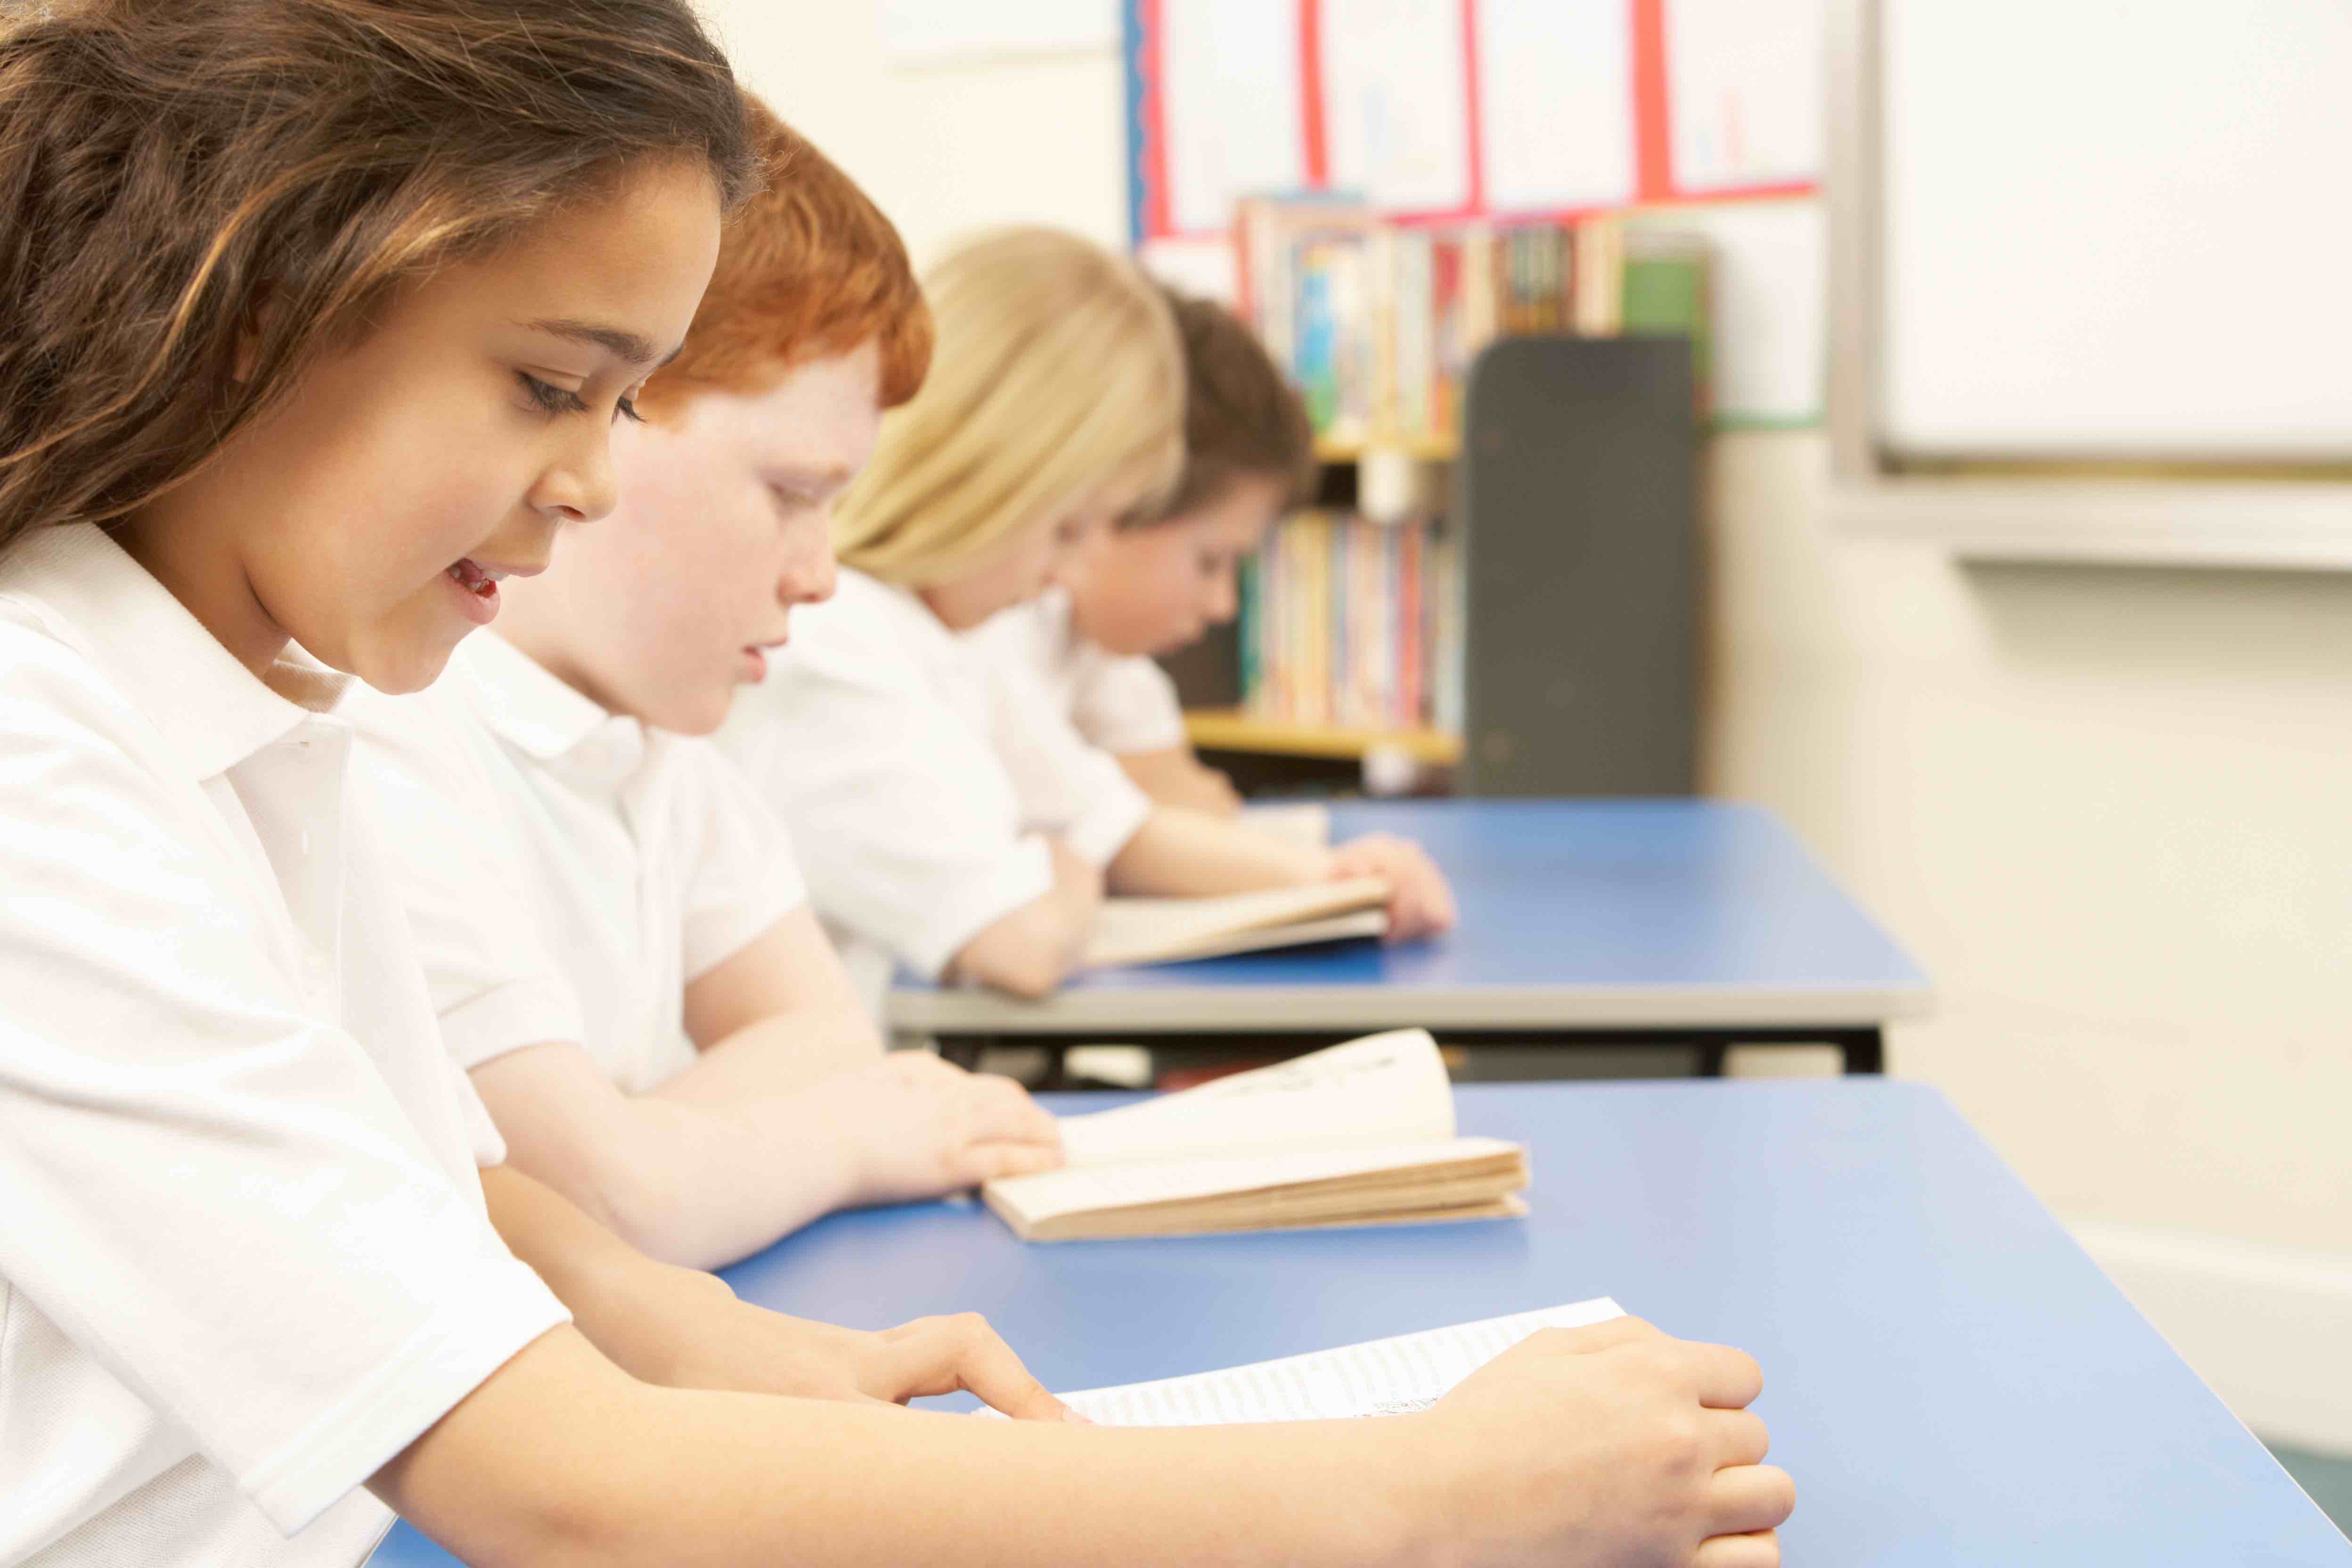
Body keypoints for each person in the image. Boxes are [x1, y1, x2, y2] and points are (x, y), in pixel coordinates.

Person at [0, 5, 1790, 1564]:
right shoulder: (42, 751)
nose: (591, 485)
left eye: (620, 409)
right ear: (253, 299)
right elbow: (569, 1497)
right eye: (552, 385)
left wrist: (678, 1324)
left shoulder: (255, 705)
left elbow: (432, 1178)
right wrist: (1428, 1497)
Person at [346, 100, 1062, 1272]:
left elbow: (826, 1039)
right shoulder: (392, 735)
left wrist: (661, 1149)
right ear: (609, 407)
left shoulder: (661, 748)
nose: (823, 572)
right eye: (789, 492)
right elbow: (607, 1211)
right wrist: (837, 1142)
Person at [723, 229, 1457, 1009]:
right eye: (1068, 529)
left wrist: (1055, 857)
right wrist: (1059, 865)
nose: (1068, 574)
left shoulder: (939, 640)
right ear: (1000, 477)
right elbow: (1022, 938)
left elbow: (1096, 819)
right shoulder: (837, 643)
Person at [978, 284, 1317, 818]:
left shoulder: (1088, 635)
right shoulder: (991, 620)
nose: (1222, 606)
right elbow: (1117, 834)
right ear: (1127, 491)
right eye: (1210, 561)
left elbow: (1191, 802)